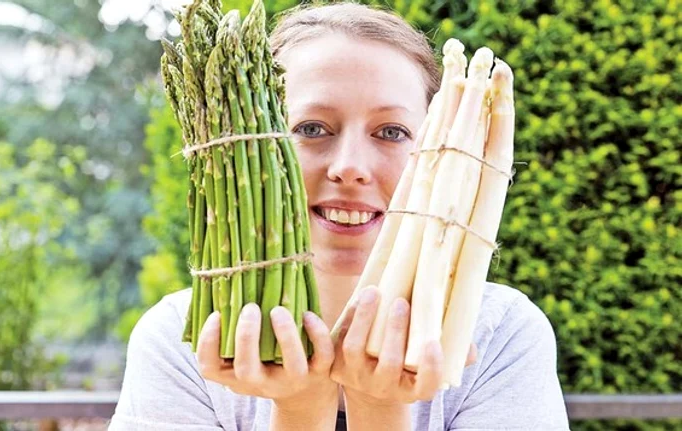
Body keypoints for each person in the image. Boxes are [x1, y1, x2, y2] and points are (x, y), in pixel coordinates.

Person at [109, 3, 570, 430]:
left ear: (438, 146)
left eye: (391, 131)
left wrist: (381, 408)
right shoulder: (179, 342)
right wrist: (301, 408)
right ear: (249, 141)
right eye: (311, 128)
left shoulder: (500, 335)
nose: (349, 166)